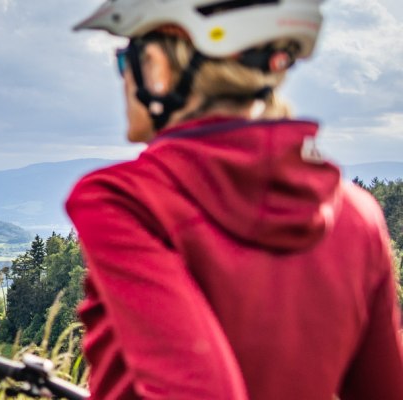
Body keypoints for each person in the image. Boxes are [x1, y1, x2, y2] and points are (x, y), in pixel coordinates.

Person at [67, 0, 403, 399]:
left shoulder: (129, 201)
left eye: (126, 61)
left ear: (156, 67)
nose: (123, 78)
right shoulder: (356, 214)